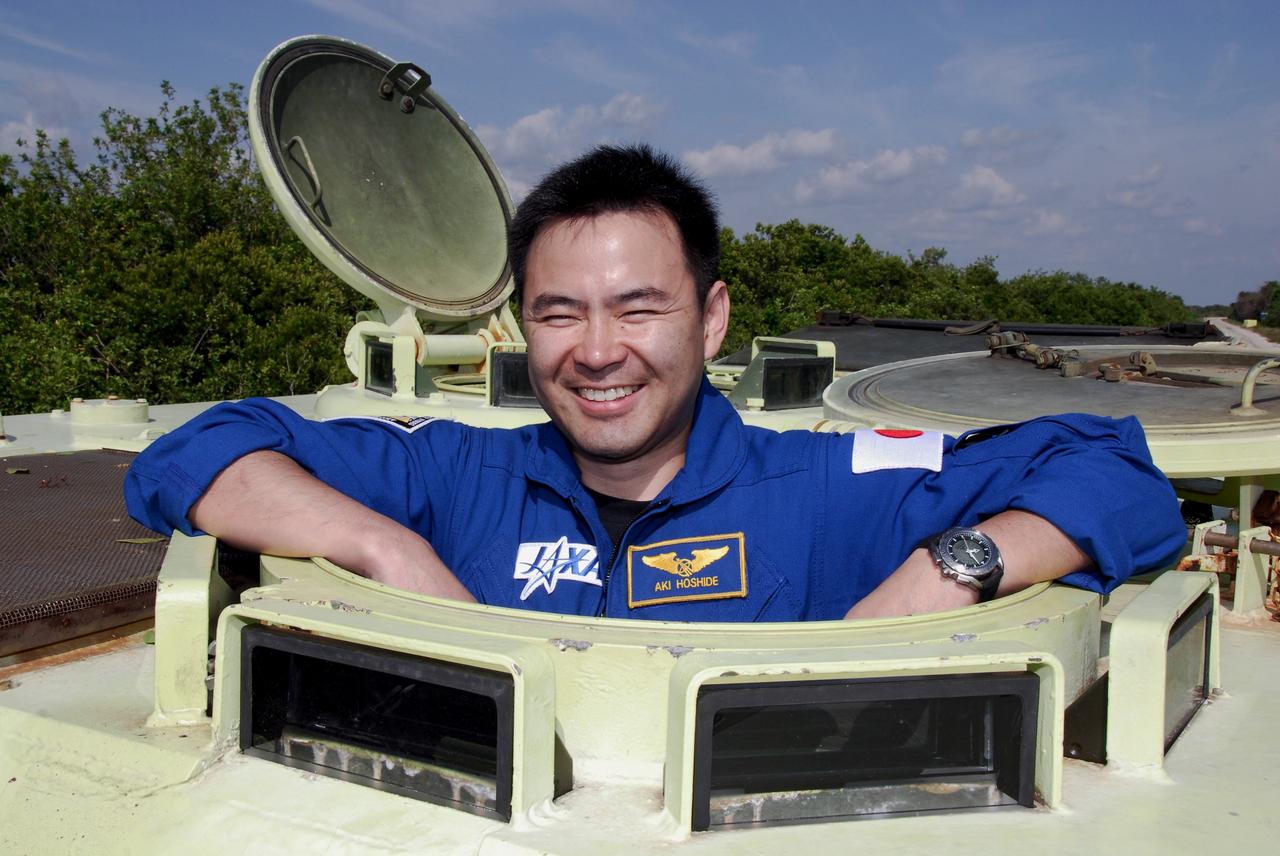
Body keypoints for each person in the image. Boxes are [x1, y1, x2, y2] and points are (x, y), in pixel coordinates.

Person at [125, 144, 1186, 621]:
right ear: (523, 326)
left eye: (637, 308)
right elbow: (192, 452)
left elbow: (1112, 468)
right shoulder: (453, 473)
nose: (595, 350)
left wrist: (946, 568)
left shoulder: (827, 484)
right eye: (558, 311)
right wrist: (383, 543)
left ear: (711, 316)